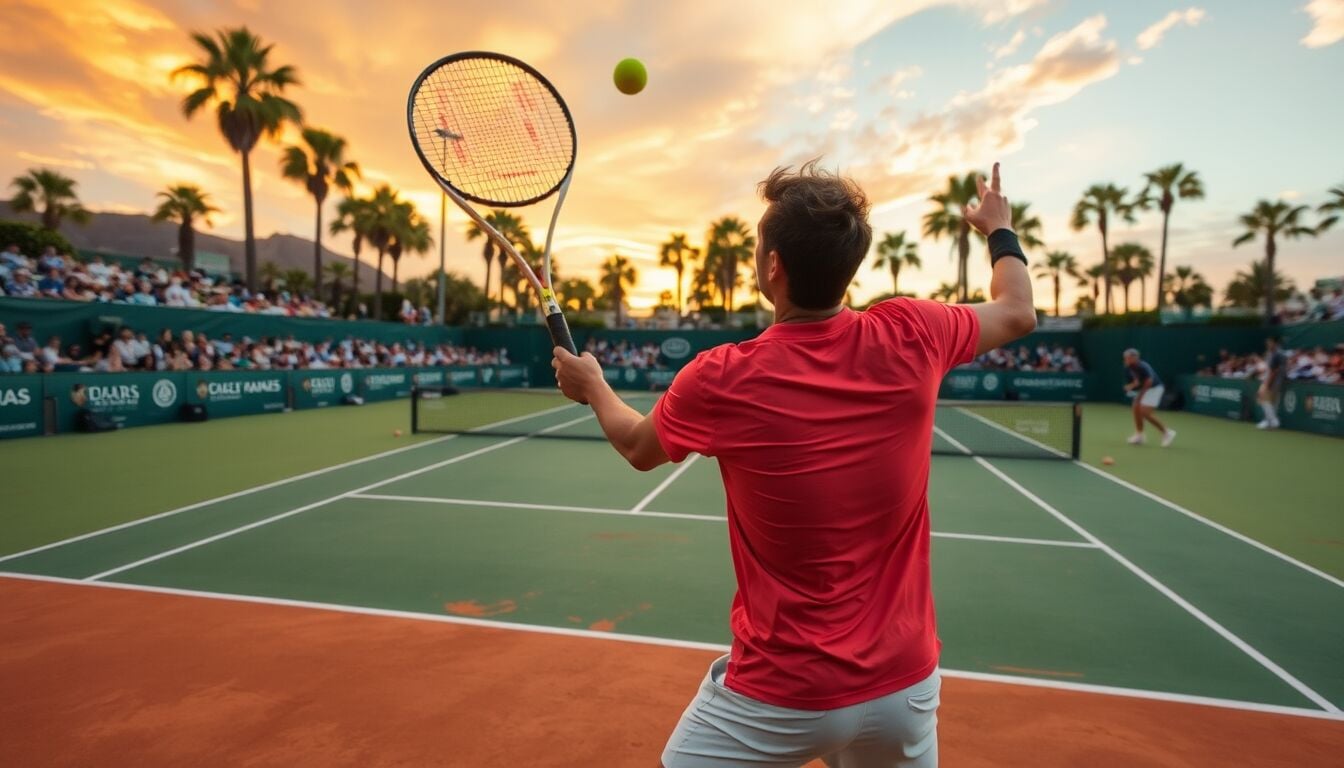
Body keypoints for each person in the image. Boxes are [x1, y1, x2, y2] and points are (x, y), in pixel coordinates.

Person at [553, 161, 1036, 768]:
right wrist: (998, 228)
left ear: (773, 265)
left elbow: (636, 446)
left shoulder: (721, 376)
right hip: (904, 689)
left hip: (782, 695)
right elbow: (1017, 310)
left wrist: (593, 385)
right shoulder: (914, 330)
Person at [1122, 348, 1175, 446]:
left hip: (1155, 388)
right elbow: (1137, 381)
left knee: (1145, 412)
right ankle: (1139, 435)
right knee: (1136, 407)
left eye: (1129, 357)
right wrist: (1131, 386)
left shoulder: (1143, 366)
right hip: (1145, 389)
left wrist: (1140, 396)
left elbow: (1149, 382)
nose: (1127, 359)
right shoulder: (1128, 368)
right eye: (1126, 358)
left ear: (1136, 358)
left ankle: (1167, 432)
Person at [1256, 336, 1287, 429]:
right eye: (1267, 343)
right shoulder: (1272, 353)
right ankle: (1269, 421)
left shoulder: (1277, 354)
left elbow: (1275, 370)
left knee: (1264, 398)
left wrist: (1268, 382)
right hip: (1274, 380)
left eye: (1270, 343)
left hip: (1274, 380)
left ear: (1275, 344)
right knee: (1268, 401)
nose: (1268, 345)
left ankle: (1272, 420)